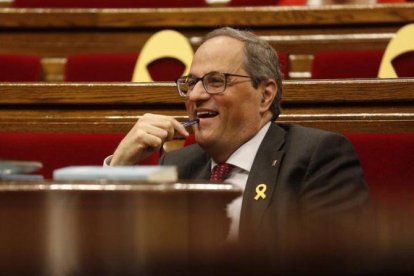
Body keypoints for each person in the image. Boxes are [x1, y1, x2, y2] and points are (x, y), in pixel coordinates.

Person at [107, 27, 370, 268]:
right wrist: (118, 169)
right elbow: (122, 258)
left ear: (265, 95)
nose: (196, 95)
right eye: (192, 83)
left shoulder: (318, 157)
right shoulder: (176, 166)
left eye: (216, 81)